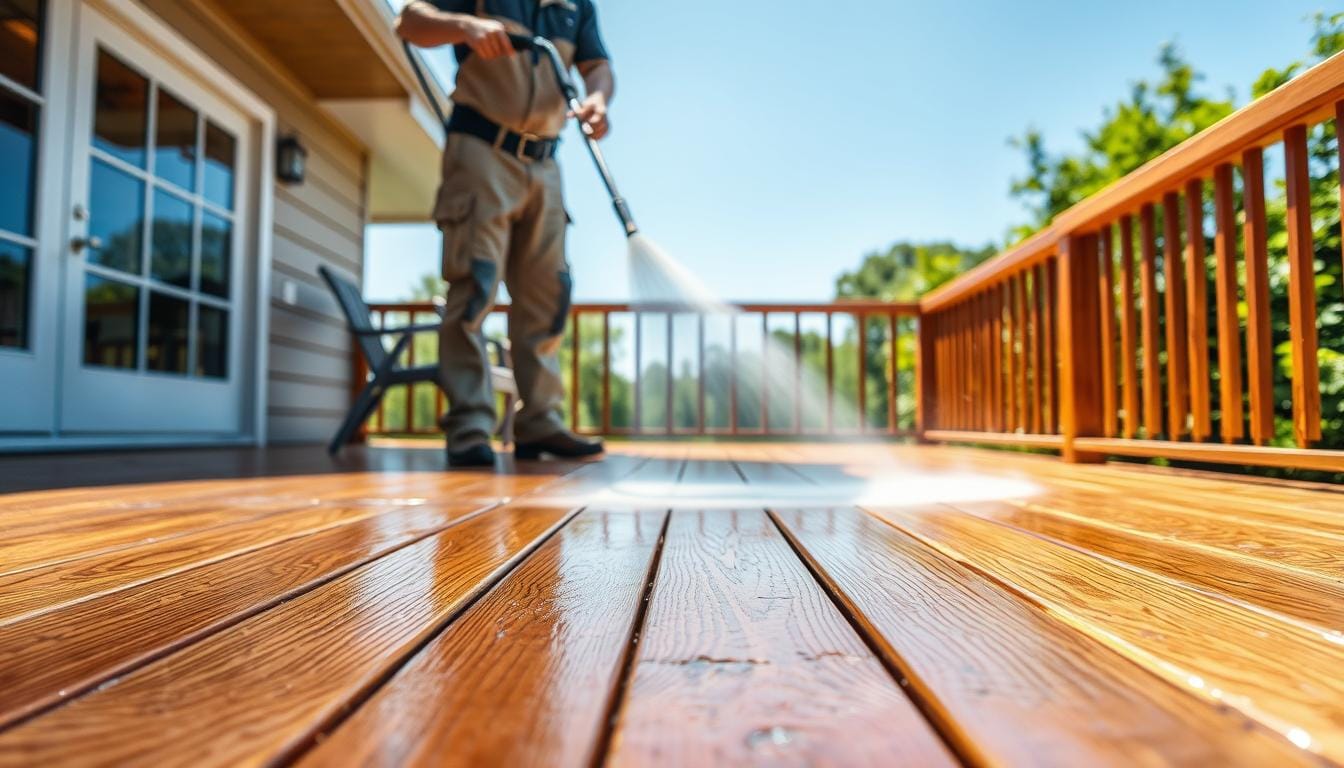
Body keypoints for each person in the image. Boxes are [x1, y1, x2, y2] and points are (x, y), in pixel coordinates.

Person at [396, 0, 613, 467]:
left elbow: (597, 65)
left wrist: (598, 98)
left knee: (546, 295)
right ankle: (471, 426)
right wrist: (465, 26)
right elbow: (409, 22)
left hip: (546, 162)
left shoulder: (576, 6)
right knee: (474, 286)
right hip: (481, 149)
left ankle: (540, 423)